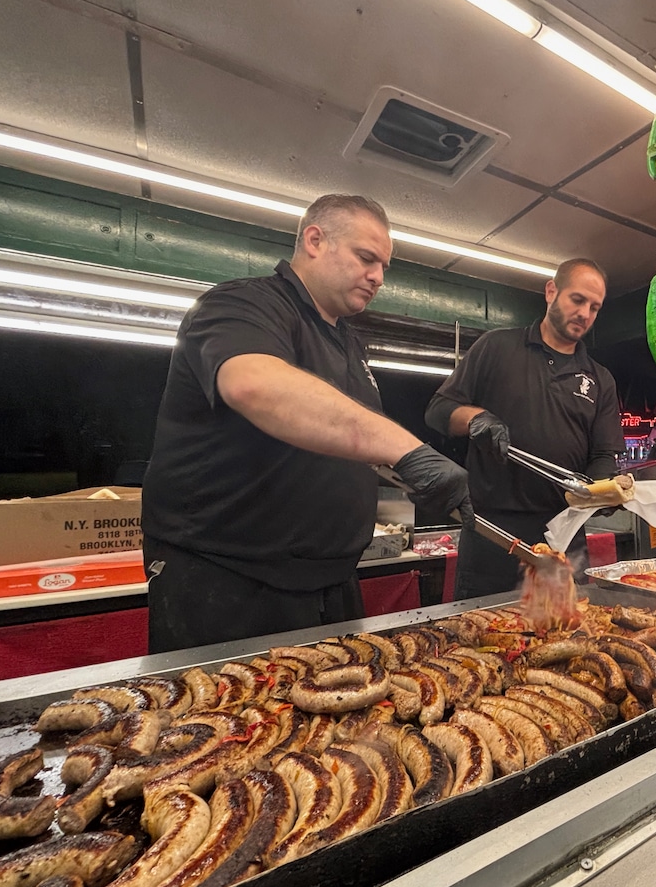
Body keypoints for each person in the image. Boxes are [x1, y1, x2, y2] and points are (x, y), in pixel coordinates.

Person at [142, 194, 473, 653]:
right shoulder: (242, 303)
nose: (378, 277)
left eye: (384, 266)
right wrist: (408, 450)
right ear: (315, 240)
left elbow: (346, 438)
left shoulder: (349, 345)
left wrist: (415, 478)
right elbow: (254, 385)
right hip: (229, 581)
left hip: (330, 580)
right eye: (366, 258)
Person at [424, 258, 625, 599]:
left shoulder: (599, 378)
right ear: (551, 291)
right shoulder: (496, 347)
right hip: (491, 531)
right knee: (481, 635)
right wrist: (476, 419)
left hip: (562, 534)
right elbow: (438, 411)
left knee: (567, 638)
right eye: (578, 300)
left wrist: (600, 491)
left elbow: (604, 453)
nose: (585, 314)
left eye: (595, 307)